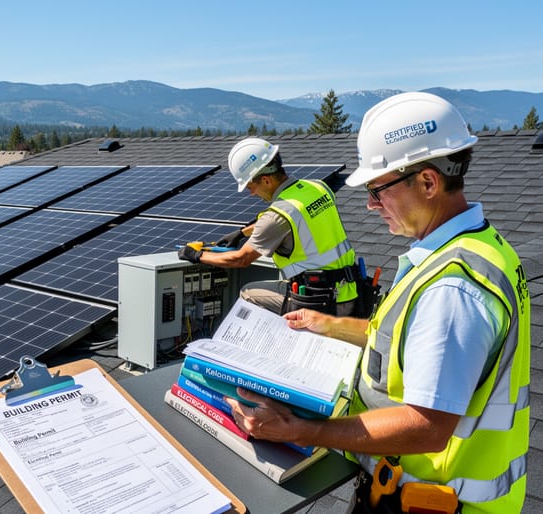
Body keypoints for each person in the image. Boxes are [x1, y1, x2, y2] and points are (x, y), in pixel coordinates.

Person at [225, 92, 529, 513]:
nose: (370, 205)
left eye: (377, 189)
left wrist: (303, 430)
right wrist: (326, 324)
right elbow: (408, 345)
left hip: (431, 500)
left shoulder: (452, 289)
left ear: (427, 181)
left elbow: (426, 427)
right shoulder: (475, 248)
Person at [177, 137, 360, 316]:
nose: (251, 193)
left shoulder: (276, 216)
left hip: (318, 301)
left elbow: (241, 259)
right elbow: (299, 216)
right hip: (352, 292)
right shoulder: (318, 187)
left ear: (265, 180)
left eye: (250, 186)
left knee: (248, 294)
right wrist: (241, 233)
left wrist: (197, 255)